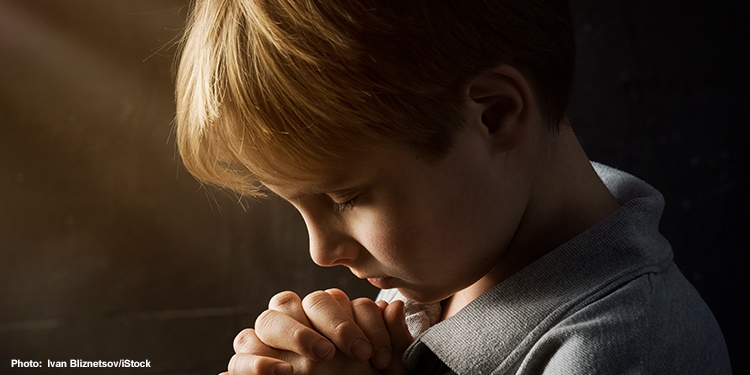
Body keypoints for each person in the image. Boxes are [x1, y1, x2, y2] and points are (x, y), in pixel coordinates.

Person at [174, 0, 732, 374]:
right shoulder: (454, 255)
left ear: (494, 115)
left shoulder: (625, 352)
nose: (319, 252)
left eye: (346, 197)